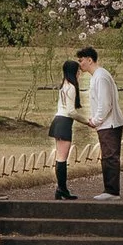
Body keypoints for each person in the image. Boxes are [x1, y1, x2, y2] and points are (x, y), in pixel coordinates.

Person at [78, 46, 123, 197]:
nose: (80, 64)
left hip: (109, 123)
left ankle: (112, 191)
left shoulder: (101, 76)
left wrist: (96, 120)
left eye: (81, 60)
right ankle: (110, 189)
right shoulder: (97, 76)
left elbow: (105, 103)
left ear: (89, 60)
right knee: (107, 155)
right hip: (105, 123)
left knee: (110, 156)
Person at [49, 59, 81, 199]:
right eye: (78, 71)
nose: (80, 73)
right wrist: (87, 121)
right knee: (62, 158)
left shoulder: (64, 85)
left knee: (60, 157)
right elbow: (71, 112)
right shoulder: (71, 87)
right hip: (64, 122)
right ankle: (62, 189)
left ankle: (61, 189)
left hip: (58, 121)